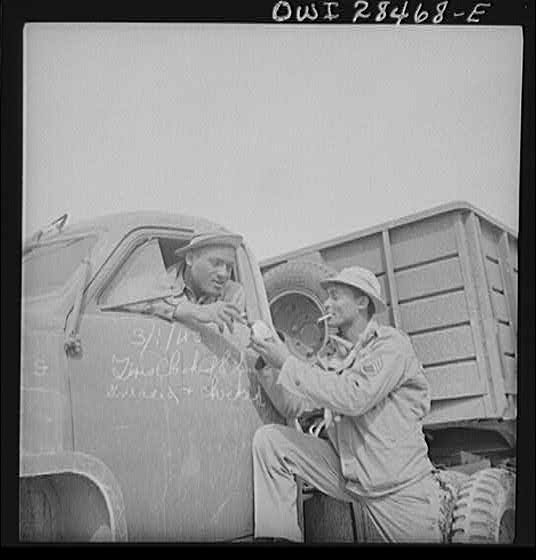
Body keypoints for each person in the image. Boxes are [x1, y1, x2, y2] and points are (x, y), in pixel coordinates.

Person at [249, 266, 441, 543]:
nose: (326, 303)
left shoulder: (391, 345)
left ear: (362, 302)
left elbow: (355, 397)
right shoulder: (335, 357)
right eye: (327, 297)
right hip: (349, 475)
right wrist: (267, 363)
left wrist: (287, 363)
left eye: (336, 296)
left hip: (398, 490)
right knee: (271, 442)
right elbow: (292, 407)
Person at [121, 231, 246, 333]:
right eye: (216, 263)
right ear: (190, 259)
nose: (223, 274)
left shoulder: (233, 292)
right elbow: (124, 299)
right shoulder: (163, 280)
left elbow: (237, 337)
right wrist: (190, 310)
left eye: (229, 266)